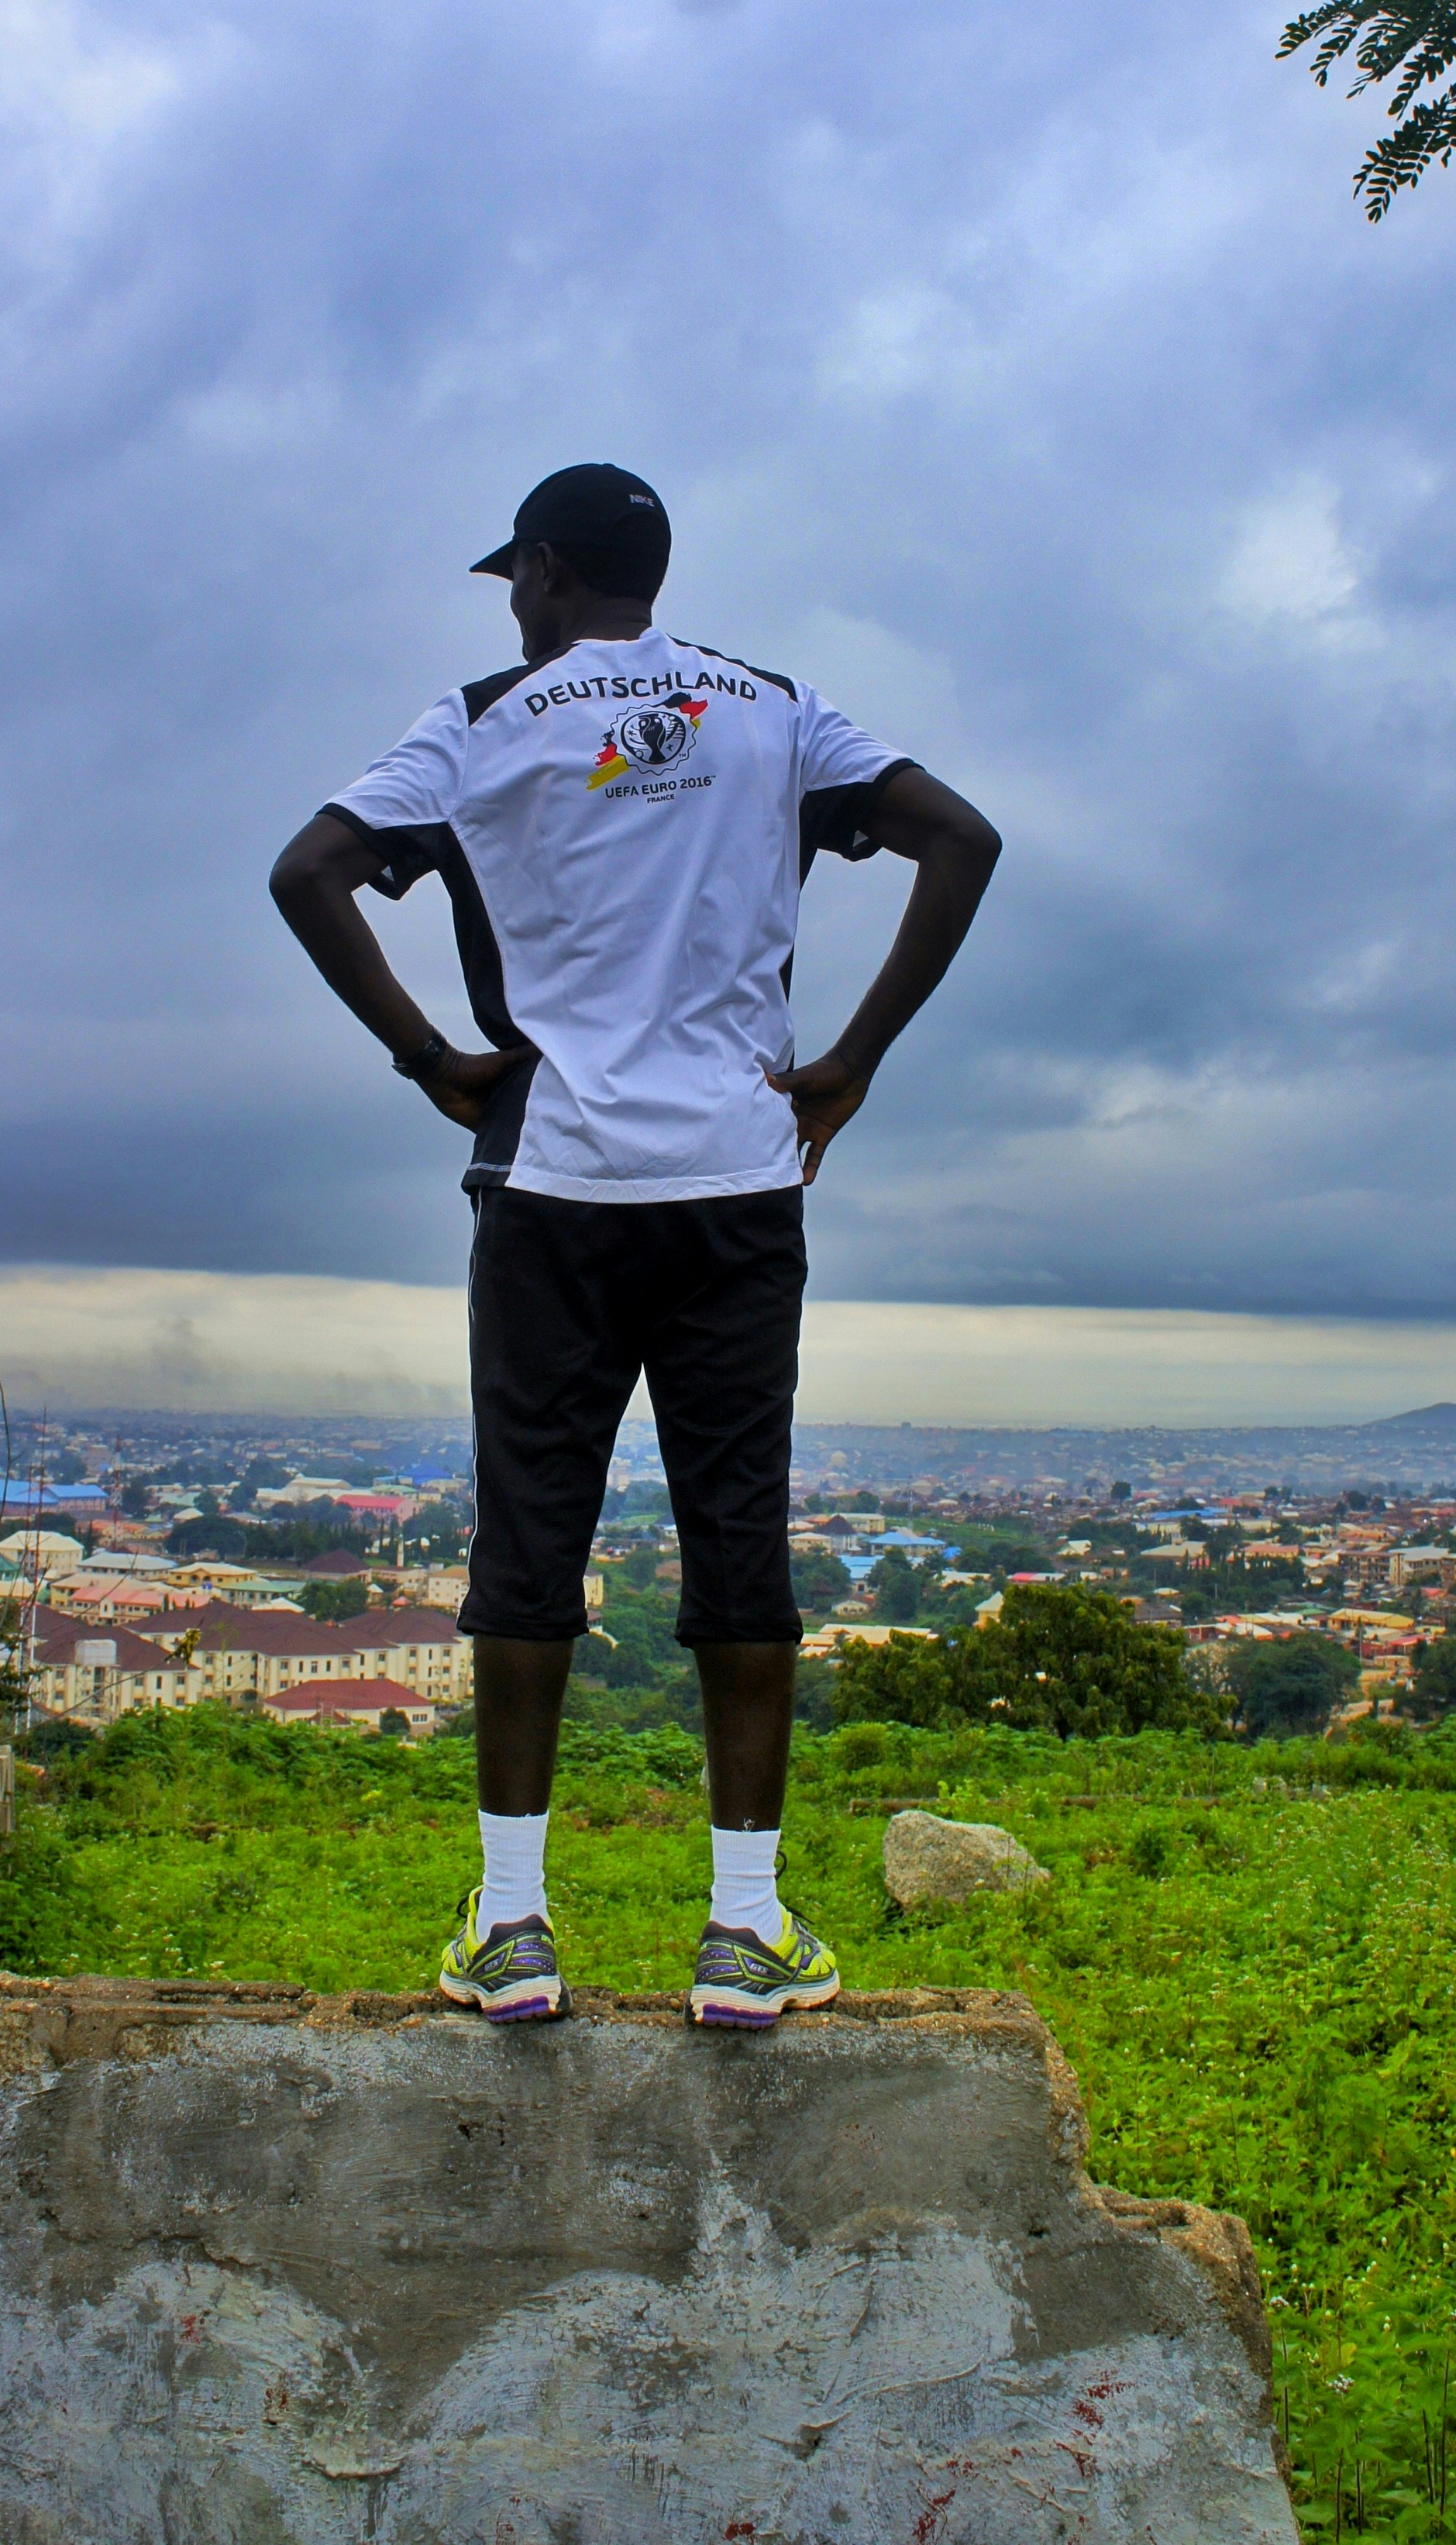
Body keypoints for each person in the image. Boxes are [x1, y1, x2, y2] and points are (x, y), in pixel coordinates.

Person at [270, 463, 1000, 2026]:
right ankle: (744, 1926)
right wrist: (852, 1061)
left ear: (545, 569)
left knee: (531, 1536)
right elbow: (963, 839)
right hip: (738, 1176)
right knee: (740, 1532)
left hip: (552, 1177)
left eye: (515, 581)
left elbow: (308, 871)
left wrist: (430, 1058)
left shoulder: (482, 720)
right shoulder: (779, 710)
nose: (514, 607)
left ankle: (512, 1924)